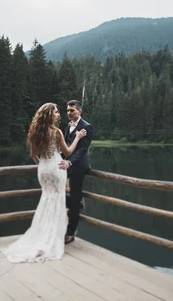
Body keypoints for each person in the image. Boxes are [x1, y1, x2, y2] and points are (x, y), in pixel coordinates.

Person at [2, 102, 86, 263]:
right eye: (55, 112)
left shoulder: (35, 132)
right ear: (49, 114)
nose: (58, 114)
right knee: (57, 201)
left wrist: (44, 164)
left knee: (47, 199)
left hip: (43, 169)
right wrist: (77, 137)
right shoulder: (56, 132)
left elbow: (34, 156)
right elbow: (68, 152)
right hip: (56, 168)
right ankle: (51, 238)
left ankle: (41, 236)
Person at [59, 100, 93, 245]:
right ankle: (78, 203)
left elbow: (82, 149)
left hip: (78, 166)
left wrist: (70, 162)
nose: (69, 113)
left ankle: (70, 232)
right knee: (56, 190)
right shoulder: (69, 125)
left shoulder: (86, 127)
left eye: (72, 110)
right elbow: (68, 144)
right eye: (67, 110)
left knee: (73, 198)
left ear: (80, 111)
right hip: (67, 165)